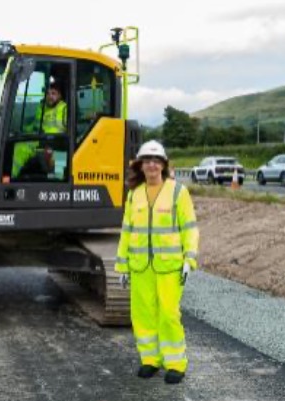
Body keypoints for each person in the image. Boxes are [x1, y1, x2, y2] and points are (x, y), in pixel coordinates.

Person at [114, 139, 199, 384]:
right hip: (140, 266)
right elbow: (127, 231)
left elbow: (190, 228)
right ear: (140, 166)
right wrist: (122, 266)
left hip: (169, 266)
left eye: (156, 161)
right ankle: (150, 359)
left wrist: (189, 259)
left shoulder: (178, 192)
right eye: (147, 161)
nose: (152, 165)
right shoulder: (134, 195)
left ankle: (175, 364)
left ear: (163, 165)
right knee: (143, 314)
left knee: (169, 314)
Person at [12, 81, 68, 178]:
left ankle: (58, 179)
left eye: (53, 93)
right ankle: (12, 177)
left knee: (59, 170)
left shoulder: (64, 108)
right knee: (19, 147)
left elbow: (68, 128)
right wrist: (21, 130)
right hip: (41, 140)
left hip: (58, 142)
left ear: (60, 95)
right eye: (48, 93)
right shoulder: (42, 107)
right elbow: (35, 126)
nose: (50, 96)